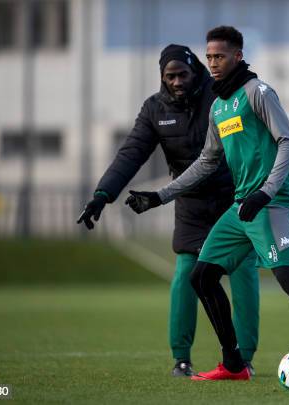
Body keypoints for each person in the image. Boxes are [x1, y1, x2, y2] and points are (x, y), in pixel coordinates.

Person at [125, 26, 289, 386]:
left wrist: (266, 192)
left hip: (270, 203)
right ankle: (233, 364)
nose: (213, 63)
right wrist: (159, 196)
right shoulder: (219, 105)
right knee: (201, 276)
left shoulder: (258, 92)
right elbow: (207, 162)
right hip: (242, 205)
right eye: (209, 57)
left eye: (220, 56)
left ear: (237, 57)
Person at [76, 44, 260, 378]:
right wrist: (103, 195)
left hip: (233, 197)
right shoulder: (154, 109)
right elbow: (131, 153)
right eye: (169, 76)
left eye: (183, 74)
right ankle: (182, 359)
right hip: (189, 202)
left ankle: (243, 358)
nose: (176, 82)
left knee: (242, 269)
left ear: (195, 72)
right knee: (186, 273)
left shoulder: (220, 97)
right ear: (162, 77)